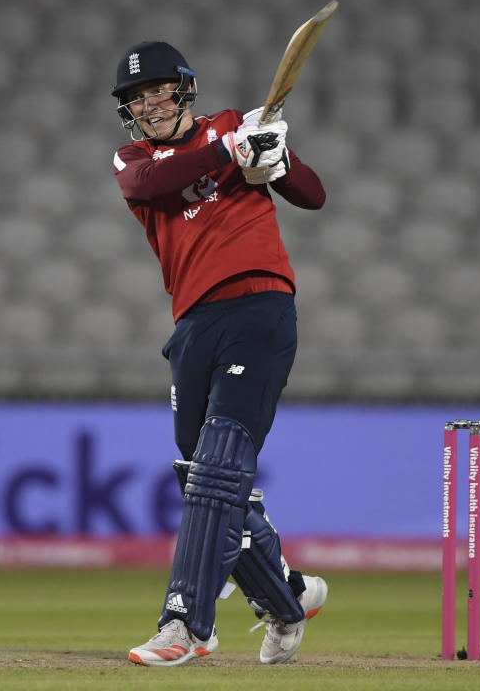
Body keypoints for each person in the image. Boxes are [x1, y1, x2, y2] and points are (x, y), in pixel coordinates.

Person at [111, 40, 329, 667]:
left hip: (259, 305)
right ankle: (288, 597)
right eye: (136, 98)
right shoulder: (132, 159)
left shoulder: (236, 126)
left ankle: (186, 623)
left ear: (183, 88)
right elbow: (160, 182)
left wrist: (274, 159)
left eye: (156, 91)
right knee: (206, 477)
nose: (148, 106)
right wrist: (228, 151)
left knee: (219, 467)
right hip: (193, 323)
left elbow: (313, 196)